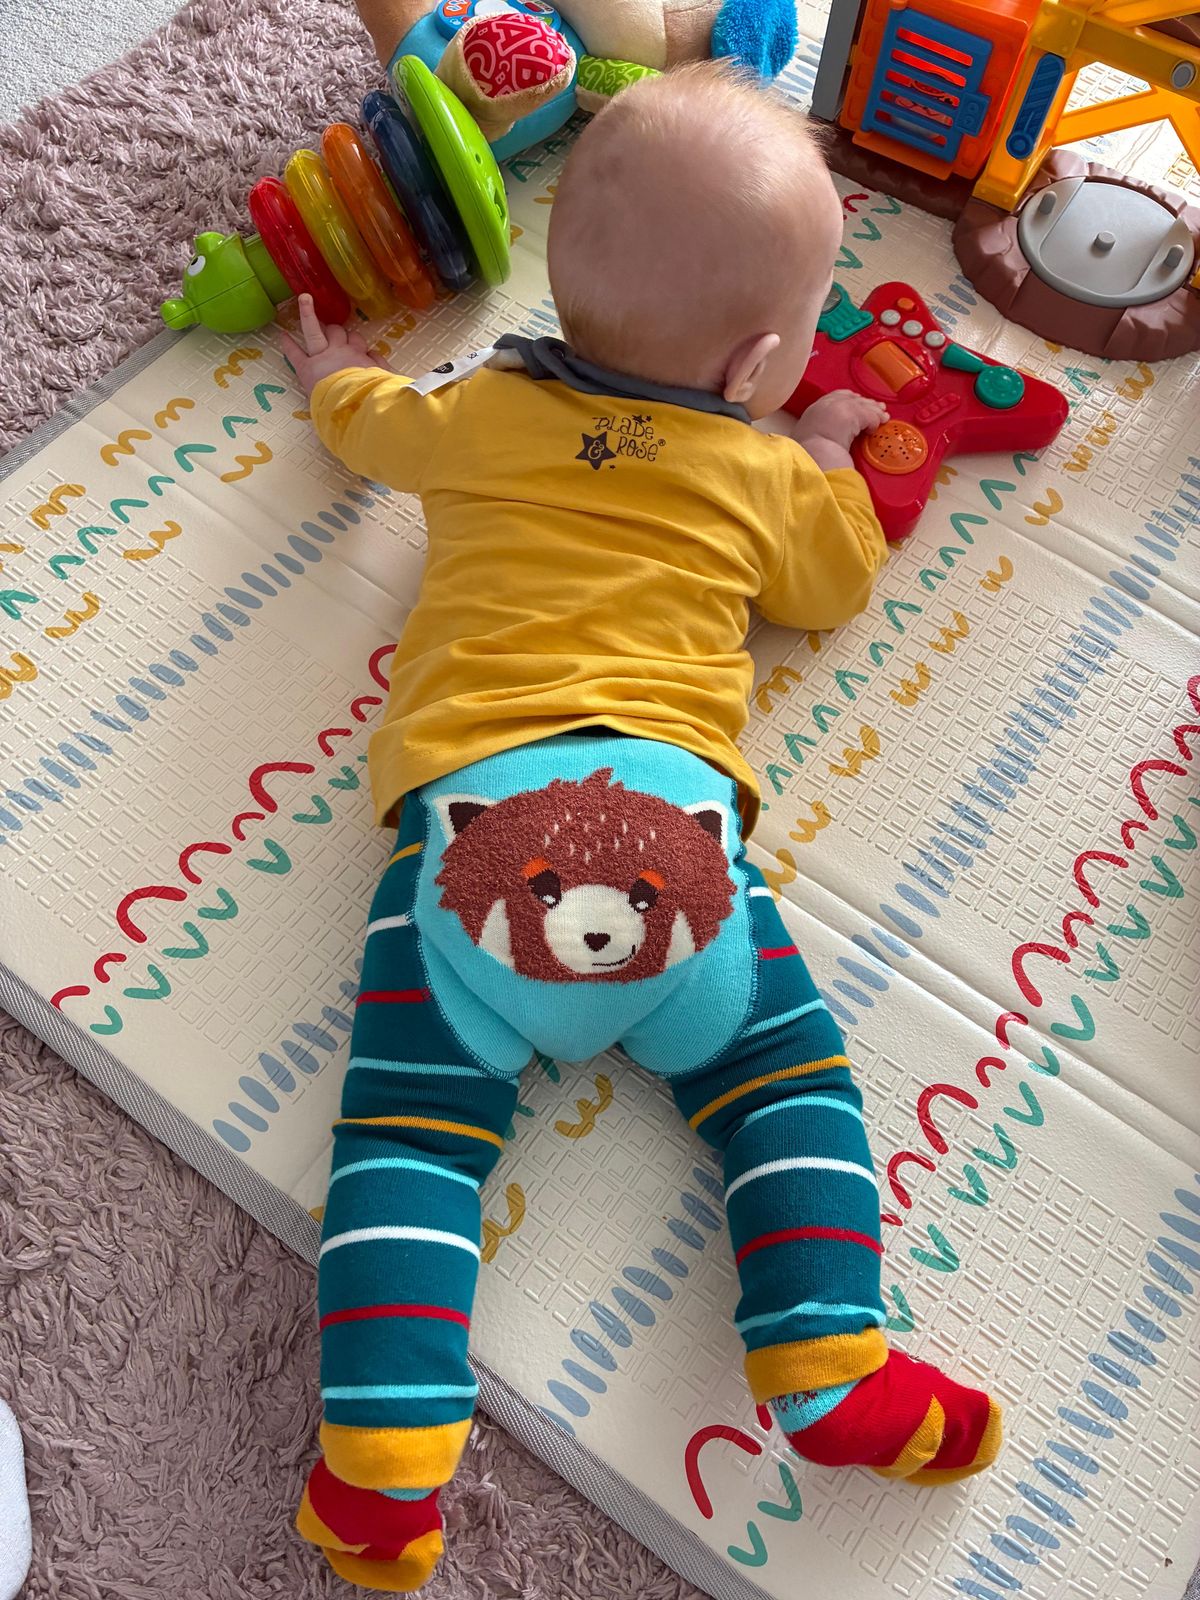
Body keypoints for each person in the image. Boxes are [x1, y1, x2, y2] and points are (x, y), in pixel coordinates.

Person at [281, 61, 1001, 1592]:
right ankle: (828, 1363)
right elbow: (834, 585)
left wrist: (332, 369)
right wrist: (834, 453)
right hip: (677, 850)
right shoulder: (761, 471)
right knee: (784, 1084)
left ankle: (382, 1474)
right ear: (759, 362)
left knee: (408, 1141)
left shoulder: (478, 413)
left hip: (471, 845)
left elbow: (370, 428)